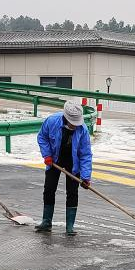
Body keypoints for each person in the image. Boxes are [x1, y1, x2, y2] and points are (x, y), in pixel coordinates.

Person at [34, 99, 92, 236]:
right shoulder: (52, 121)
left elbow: (85, 154)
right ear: (66, 118)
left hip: (73, 162)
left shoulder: (83, 130)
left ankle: (70, 226)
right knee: (49, 189)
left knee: (72, 192)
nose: (75, 125)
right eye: (72, 123)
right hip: (54, 159)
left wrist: (85, 176)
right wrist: (47, 155)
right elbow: (42, 137)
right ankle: (46, 222)